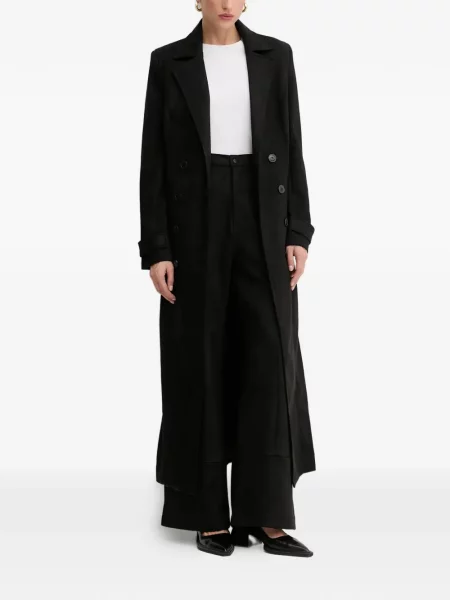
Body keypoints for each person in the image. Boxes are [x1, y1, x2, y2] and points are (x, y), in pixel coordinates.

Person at [138, 0, 316, 557]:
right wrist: (157, 248)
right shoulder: (169, 62)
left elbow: (292, 144)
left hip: (265, 213)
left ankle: (267, 515)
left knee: (270, 357)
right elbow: (153, 159)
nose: (225, 1)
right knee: (200, 357)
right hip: (194, 219)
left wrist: (298, 230)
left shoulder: (275, 57)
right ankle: (207, 513)